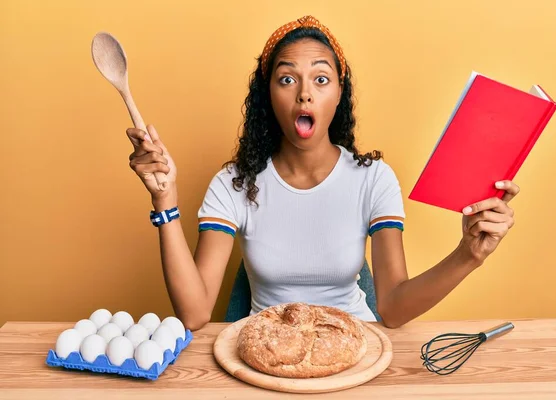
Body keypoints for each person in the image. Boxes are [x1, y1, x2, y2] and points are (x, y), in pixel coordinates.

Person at [125, 15, 519, 330]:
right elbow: (193, 315)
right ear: (269, 96)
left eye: (320, 78)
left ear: (338, 94)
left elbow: (395, 309)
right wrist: (165, 201)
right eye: (286, 79)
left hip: (358, 346)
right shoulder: (234, 183)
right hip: (267, 352)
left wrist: (469, 255)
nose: (304, 93)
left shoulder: (373, 179)